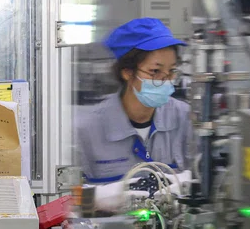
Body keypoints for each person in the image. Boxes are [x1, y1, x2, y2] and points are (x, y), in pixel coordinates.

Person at [77, 17, 190, 184]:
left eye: (172, 71)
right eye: (155, 71)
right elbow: (64, 200)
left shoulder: (185, 118)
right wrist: (98, 198)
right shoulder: (88, 130)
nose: (166, 80)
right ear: (127, 72)